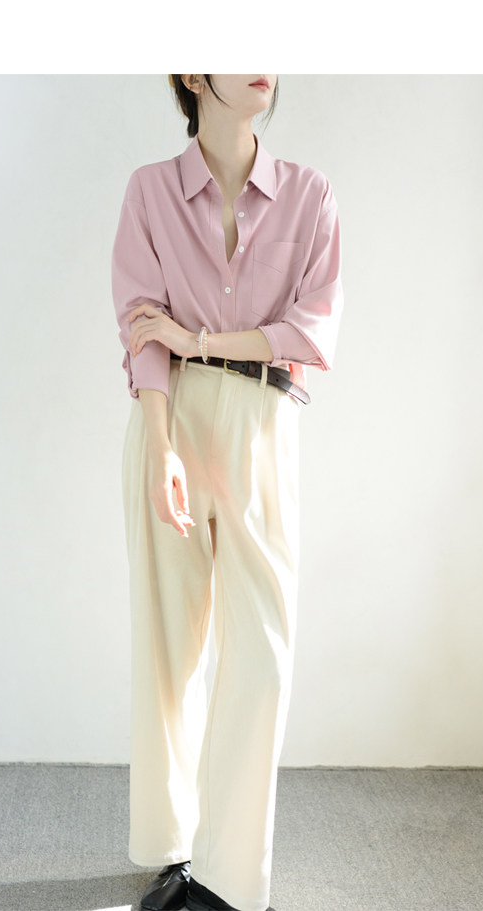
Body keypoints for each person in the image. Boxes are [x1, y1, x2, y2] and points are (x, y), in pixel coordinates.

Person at [111, 75, 343, 911]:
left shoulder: (310, 195)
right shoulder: (150, 192)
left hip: (262, 424)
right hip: (170, 418)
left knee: (263, 653)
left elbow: (309, 332)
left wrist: (200, 337)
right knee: (169, 645)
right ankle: (173, 847)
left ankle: (229, 878)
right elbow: (142, 328)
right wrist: (160, 448)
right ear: (190, 70)